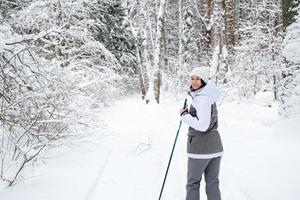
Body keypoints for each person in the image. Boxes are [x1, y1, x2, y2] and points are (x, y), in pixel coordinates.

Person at [180, 67, 223, 200]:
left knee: (193, 183)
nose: (194, 81)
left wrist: (185, 115)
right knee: (212, 183)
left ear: (204, 81)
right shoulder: (208, 98)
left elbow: (203, 126)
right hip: (215, 148)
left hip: (200, 149)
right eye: (192, 78)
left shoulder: (202, 99)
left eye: (198, 79)